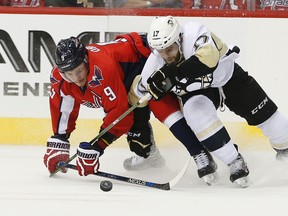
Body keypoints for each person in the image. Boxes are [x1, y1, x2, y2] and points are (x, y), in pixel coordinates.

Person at [43, 34, 218, 184]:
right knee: (137, 138)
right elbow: (62, 107)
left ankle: (199, 152)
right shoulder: (60, 78)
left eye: (79, 71)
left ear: (86, 60)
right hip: (124, 78)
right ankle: (149, 155)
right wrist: (60, 141)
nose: (76, 78)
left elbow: (120, 115)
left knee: (159, 105)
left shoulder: (101, 68)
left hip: (144, 60)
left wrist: (97, 147)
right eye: (69, 74)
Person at [139, 15, 288, 187]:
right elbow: (142, 91)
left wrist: (173, 73)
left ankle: (285, 151)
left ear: (179, 39)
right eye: (161, 51)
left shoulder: (194, 32)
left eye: (170, 49)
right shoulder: (154, 65)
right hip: (199, 92)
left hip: (229, 78)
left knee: (276, 125)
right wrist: (153, 92)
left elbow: (207, 60)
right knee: (195, 115)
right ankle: (234, 161)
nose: (166, 56)